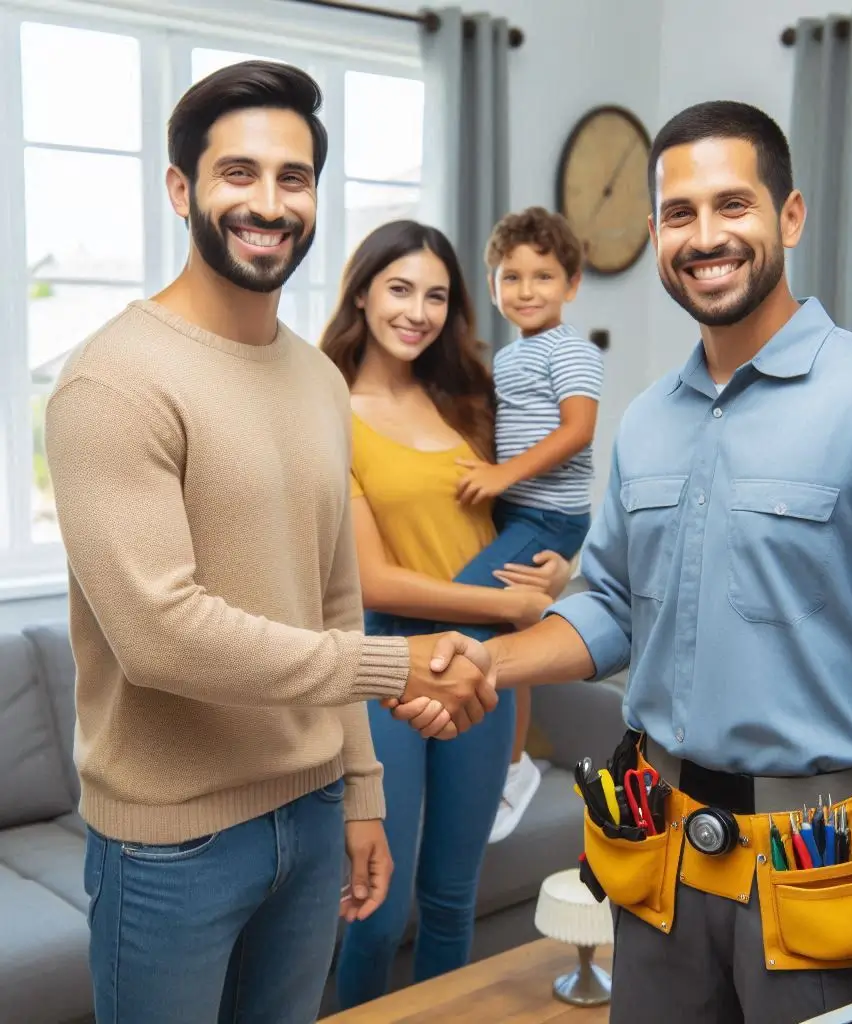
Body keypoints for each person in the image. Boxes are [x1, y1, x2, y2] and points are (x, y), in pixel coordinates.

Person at [413, 100, 852, 1023]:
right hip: (658, 863)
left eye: (734, 205)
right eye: (680, 214)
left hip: (818, 878)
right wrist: (490, 658)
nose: (706, 235)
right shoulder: (649, 419)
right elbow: (609, 600)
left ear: (791, 216)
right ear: (655, 235)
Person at [44, 62, 495, 1024]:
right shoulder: (113, 383)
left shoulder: (316, 381)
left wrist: (363, 792)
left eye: (293, 178)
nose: (269, 202)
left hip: (316, 811)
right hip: (172, 848)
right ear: (181, 189)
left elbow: (331, 594)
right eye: (237, 173)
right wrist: (399, 661)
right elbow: (162, 637)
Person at [321, 219, 572, 1008]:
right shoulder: (329, 412)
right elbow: (372, 580)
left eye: (436, 295)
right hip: (389, 669)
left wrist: (558, 565)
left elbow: (530, 516)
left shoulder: (471, 399)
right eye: (399, 289)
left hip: (481, 670)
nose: (418, 311)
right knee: (376, 905)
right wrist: (507, 602)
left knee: (452, 897)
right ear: (361, 293)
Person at [463, 206, 602, 843]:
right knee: (512, 626)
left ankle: (509, 766)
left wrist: (501, 476)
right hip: (518, 510)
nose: (525, 291)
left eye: (542, 277)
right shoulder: (510, 357)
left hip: (548, 514)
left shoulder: (570, 350)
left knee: (467, 613)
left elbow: (578, 430)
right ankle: (514, 764)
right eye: (510, 277)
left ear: (572, 285)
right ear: (492, 285)